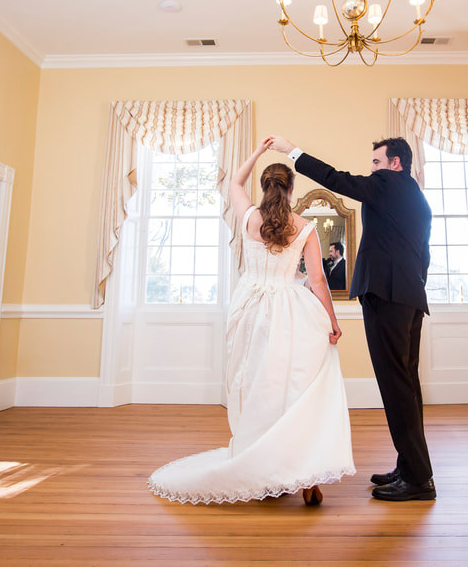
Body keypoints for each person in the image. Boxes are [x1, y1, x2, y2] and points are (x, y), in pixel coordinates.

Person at [148, 138, 355, 506]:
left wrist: (258, 153)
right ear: (292, 190)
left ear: (264, 186)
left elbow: (232, 184)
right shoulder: (304, 227)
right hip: (289, 309)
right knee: (296, 384)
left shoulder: (249, 218)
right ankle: (304, 473)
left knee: (257, 383)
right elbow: (319, 281)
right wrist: (332, 322)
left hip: (250, 306)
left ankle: (261, 461)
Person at [267, 135, 435, 501]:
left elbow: (337, 179)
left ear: (395, 164)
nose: (371, 169)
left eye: (376, 162)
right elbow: (424, 256)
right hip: (408, 297)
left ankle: (419, 480)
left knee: (396, 386)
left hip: (388, 298)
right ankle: (411, 467)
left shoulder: (388, 184)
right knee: (406, 383)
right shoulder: (416, 198)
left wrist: (292, 150)